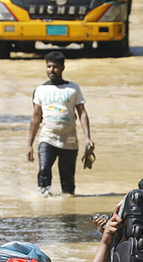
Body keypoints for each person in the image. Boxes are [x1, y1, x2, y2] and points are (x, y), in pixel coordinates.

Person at [27, 51, 94, 197]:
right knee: (44, 171)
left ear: (63, 67)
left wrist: (87, 137)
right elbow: (35, 118)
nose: (51, 70)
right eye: (49, 66)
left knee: (67, 181)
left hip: (69, 140)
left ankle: (68, 211)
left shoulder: (73, 88)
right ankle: (44, 207)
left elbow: (82, 112)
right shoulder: (40, 90)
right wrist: (30, 145)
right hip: (47, 138)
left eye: (55, 67)